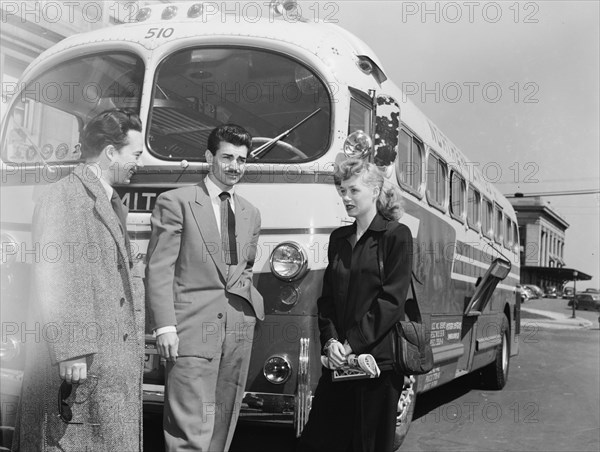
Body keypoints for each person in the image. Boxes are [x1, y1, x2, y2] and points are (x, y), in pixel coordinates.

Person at [15, 109, 146, 451]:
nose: (139, 164)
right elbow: (58, 273)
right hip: (82, 367)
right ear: (110, 152)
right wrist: (72, 349)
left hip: (103, 364)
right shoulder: (65, 196)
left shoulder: (103, 199)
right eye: (135, 154)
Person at [145, 124, 263, 451]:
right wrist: (165, 326)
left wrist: (249, 314)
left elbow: (244, 269)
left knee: (220, 432)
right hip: (191, 330)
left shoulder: (251, 213)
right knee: (188, 434)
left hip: (238, 332)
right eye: (227, 157)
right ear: (209, 157)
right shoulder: (176, 202)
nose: (234, 166)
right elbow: (158, 268)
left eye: (241, 159)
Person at [298, 158, 413, 452]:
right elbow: (327, 301)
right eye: (342, 190)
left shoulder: (396, 235)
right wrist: (331, 343)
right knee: (318, 441)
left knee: (368, 446)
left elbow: (391, 301)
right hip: (339, 364)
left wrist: (350, 345)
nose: (346, 198)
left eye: (353, 191)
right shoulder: (339, 238)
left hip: (378, 367)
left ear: (374, 191)